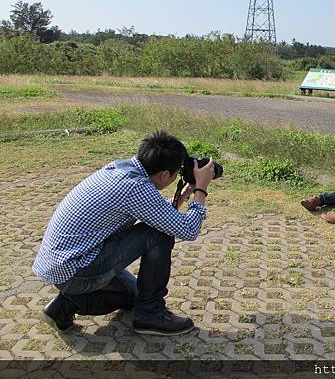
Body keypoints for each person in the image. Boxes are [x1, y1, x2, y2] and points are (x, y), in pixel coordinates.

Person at [32, 130, 215, 336]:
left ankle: (64, 306)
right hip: (76, 270)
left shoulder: (120, 168)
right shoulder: (135, 187)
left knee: (136, 295)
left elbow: (153, 210)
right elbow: (188, 230)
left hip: (62, 264)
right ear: (165, 174)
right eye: (175, 174)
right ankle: (150, 315)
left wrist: (183, 195)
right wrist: (201, 189)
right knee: (159, 234)